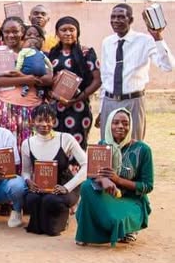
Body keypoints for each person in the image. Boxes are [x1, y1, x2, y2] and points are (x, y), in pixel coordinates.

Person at [75, 108, 154, 246]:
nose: (120, 126)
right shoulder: (102, 146)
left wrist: (118, 180)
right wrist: (104, 179)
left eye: (125, 123)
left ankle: (128, 228)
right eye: (115, 122)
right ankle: (87, 233)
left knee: (115, 221)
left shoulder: (143, 150)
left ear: (130, 126)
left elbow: (147, 186)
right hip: (107, 197)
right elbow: (93, 173)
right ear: (109, 125)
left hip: (131, 200)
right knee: (87, 186)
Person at [98, 4, 173, 140]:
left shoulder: (145, 41)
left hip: (133, 101)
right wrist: (101, 109)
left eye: (121, 17)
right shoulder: (107, 42)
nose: (116, 20)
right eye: (113, 17)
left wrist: (158, 37)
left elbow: (167, 66)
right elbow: (106, 77)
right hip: (109, 101)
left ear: (131, 20)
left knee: (133, 144)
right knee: (108, 145)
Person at [21, 104, 87, 237]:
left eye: (48, 120)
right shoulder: (27, 143)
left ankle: (62, 218)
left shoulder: (66, 138)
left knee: (51, 201)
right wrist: (28, 181)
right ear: (33, 121)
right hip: (41, 188)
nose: (44, 124)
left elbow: (86, 165)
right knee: (30, 198)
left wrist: (67, 188)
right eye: (40, 120)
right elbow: (25, 171)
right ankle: (40, 223)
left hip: (63, 186)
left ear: (54, 121)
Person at [0, 17, 52, 152]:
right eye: (6, 32)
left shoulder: (34, 51)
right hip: (6, 107)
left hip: (32, 109)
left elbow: (48, 78)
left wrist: (24, 77)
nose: (11, 35)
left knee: (31, 149)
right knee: (7, 149)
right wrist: (26, 79)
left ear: (23, 32)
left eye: (15, 31)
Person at [48, 16, 101, 148]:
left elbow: (98, 80)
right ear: (57, 33)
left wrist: (77, 99)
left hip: (79, 107)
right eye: (63, 30)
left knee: (77, 146)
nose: (68, 33)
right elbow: (47, 78)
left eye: (71, 30)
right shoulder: (52, 53)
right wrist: (51, 93)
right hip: (56, 108)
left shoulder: (86, 53)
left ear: (78, 32)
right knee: (56, 145)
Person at [15, 24, 52, 99]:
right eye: (28, 34)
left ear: (41, 39)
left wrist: (25, 78)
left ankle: (39, 90)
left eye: (37, 35)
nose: (32, 37)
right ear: (22, 38)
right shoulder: (16, 54)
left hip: (36, 102)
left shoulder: (44, 55)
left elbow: (48, 79)